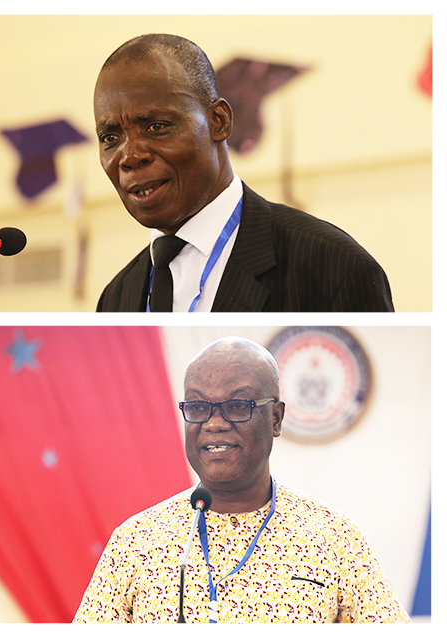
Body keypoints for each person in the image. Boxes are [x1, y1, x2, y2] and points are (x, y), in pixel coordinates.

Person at [74, 337, 408, 623]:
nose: (214, 423)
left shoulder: (334, 538)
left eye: (237, 405)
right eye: (198, 406)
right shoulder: (135, 542)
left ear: (275, 418)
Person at [93, 34, 394, 312]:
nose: (130, 156)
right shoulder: (115, 299)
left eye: (156, 127)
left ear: (219, 121)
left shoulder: (332, 266)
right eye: (110, 138)